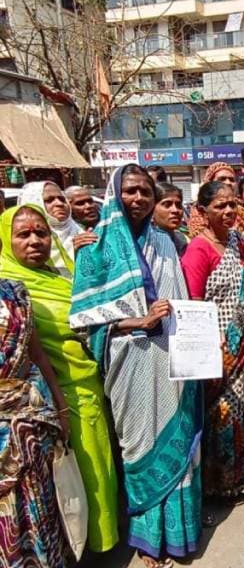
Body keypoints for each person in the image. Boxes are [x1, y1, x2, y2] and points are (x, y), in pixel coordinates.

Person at [68, 164, 203, 568]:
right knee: (138, 446)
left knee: (176, 438)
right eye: (130, 191)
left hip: (169, 356)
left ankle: (180, 532)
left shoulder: (167, 241)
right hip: (127, 361)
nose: (139, 199)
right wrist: (136, 321)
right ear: (114, 194)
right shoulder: (94, 247)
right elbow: (83, 323)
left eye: (145, 191)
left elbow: (180, 299)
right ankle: (147, 539)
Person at [3, 205, 120, 555]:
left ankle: (101, 541)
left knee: (97, 469)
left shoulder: (61, 276)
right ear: (6, 241)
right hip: (36, 402)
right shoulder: (8, 285)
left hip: (84, 381)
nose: (35, 240)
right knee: (59, 480)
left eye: (41, 232)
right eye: (23, 234)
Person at [181, 181, 244, 499]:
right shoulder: (199, 248)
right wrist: (210, 349)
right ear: (202, 211)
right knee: (219, 414)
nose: (228, 212)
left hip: (243, 343)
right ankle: (215, 483)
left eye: (232, 205)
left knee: (238, 410)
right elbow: (193, 305)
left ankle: (237, 475)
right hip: (216, 348)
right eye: (220, 206)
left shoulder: (239, 241)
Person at [0, 278, 74, 567]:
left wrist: (61, 408)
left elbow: (38, 354)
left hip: (31, 424)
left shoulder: (14, 295)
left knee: (38, 510)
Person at [18, 181, 91, 278]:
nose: (59, 204)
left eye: (62, 199)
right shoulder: (23, 241)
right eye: (49, 200)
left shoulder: (81, 232)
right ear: (34, 202)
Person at [188, 162, 237, 238]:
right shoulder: (199, 215)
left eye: (232, 179)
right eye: (222, 179)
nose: (228, 182)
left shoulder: (242, 212)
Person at [153, 182, 189, 255]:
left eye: (178, 205)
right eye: (167, 205)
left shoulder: (183, 241)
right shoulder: (146, 245)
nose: (175, 210)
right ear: (151, 209)